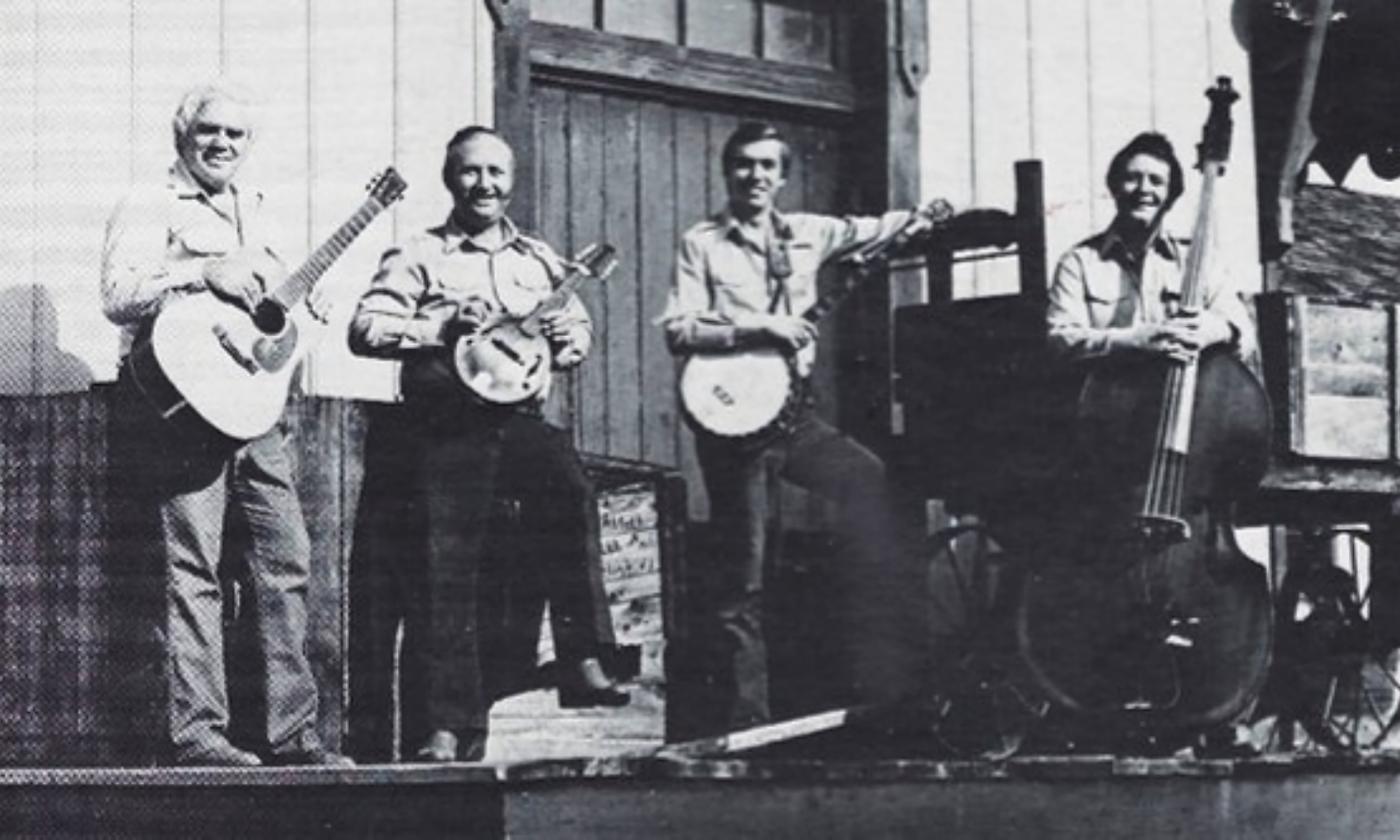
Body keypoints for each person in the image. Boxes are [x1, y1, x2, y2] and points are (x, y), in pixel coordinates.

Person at [347, 125, 627, 764]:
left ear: (512, 181)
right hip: (444, 427)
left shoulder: (539, 259)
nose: (485, 184)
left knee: (571, 487)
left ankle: (583, 654)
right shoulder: (420, 253)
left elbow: (576, 336)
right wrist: (437, 323)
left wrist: (565, 336)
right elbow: (365, 328)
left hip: (517, 422)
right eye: (471, 172)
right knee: (446, 572)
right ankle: (444, 726)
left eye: (496, 173)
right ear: (452, 179)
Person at [659, 121, 942, 731]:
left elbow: (880, 228)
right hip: (733, 424)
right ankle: (748, 726)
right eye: (743, 164)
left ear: (782, 177)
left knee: (877, 488)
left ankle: (877, 672)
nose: (755, 176)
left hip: (797, 416)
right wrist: (760, 327)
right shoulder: (701, 242)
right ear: (728, 172)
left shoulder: (812, 233)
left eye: (767, 166)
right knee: (745, 575)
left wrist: (929, 216)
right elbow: (678, 329)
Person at [101, 82, 349, 767]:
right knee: (192, 569)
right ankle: (198, 737)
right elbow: (118, 295)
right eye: (209, 130)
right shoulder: (150, 202)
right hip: (179, 409)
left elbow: (269, 310)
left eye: (235, 135)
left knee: (285, 561)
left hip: (256, 407)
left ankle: (292, 735)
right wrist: (204, 272)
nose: (221, 144)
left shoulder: (260, 210)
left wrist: (305, 303)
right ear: (183, 135)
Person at [1046, 131, 1254, 363]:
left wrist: (1216, 330)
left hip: (1192, 395)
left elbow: (1244, 337)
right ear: (1115, 188)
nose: (1144, 189)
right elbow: (1060, 340)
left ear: (1170, 196)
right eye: (1132, 178)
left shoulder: (1199, 260)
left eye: (1156, 181)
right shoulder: (1079, 262)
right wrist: (1134, 341)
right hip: (1111, 395)